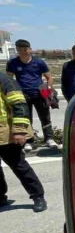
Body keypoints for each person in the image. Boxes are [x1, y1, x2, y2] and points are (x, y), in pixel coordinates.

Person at [0, 73, 47, 212]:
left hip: (7, 133)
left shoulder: (4, 80)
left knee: (19, 166)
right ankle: (0, 197)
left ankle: (38, 196)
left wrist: (19, 130)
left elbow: (19, 105)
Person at [4, 39, 56, 151]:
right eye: (20, 50)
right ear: (17, 50)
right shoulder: (12, 63)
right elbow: (8, 79)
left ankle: (49, 139)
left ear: (30, 49)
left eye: (25, 49)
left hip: (39, 94)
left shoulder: (39, 62)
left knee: (45, 117)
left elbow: (49, 77)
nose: (23, 52)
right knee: (26, 119)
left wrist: (49, 90)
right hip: (22, 95)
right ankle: (30, 141)